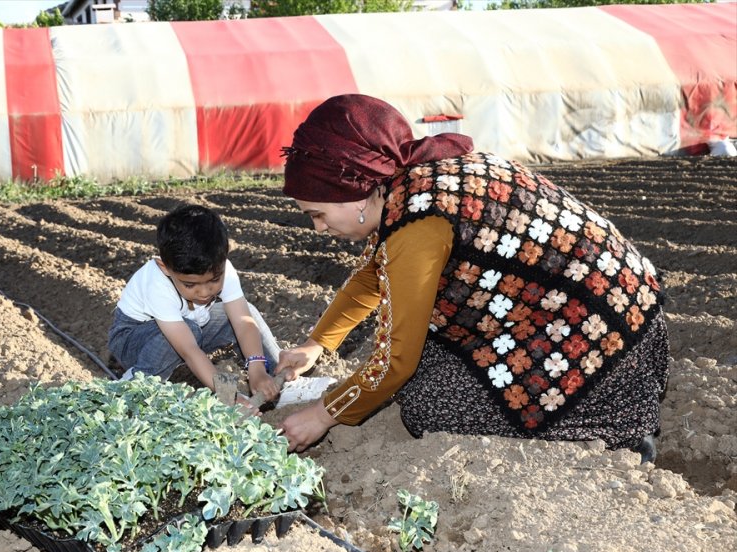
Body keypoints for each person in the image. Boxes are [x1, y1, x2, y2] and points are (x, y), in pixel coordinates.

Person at [275, 94, 667, 463]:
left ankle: (607, 430)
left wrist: (323, 415)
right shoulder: (409, 183)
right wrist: (317, 344)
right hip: (580, 306)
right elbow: (374, 277)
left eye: (317, 214)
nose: (319, 229)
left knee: (427, 405)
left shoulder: (418, 224)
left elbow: (394, 364)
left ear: (354, 191)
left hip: (604, 336)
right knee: (425, 360)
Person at [108, 204, 281, 405]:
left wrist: (257, 369)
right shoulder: (156, 283)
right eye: (190, 285)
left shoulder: (223, 268)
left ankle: (276, 381)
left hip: (193, 326)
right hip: (133, 340)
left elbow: (243, 323)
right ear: (164, 267)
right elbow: (189, 350)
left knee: (246, 313)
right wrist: (230, 396)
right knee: (189, 331)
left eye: (214, 280)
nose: (204, 292)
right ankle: (135, 387)